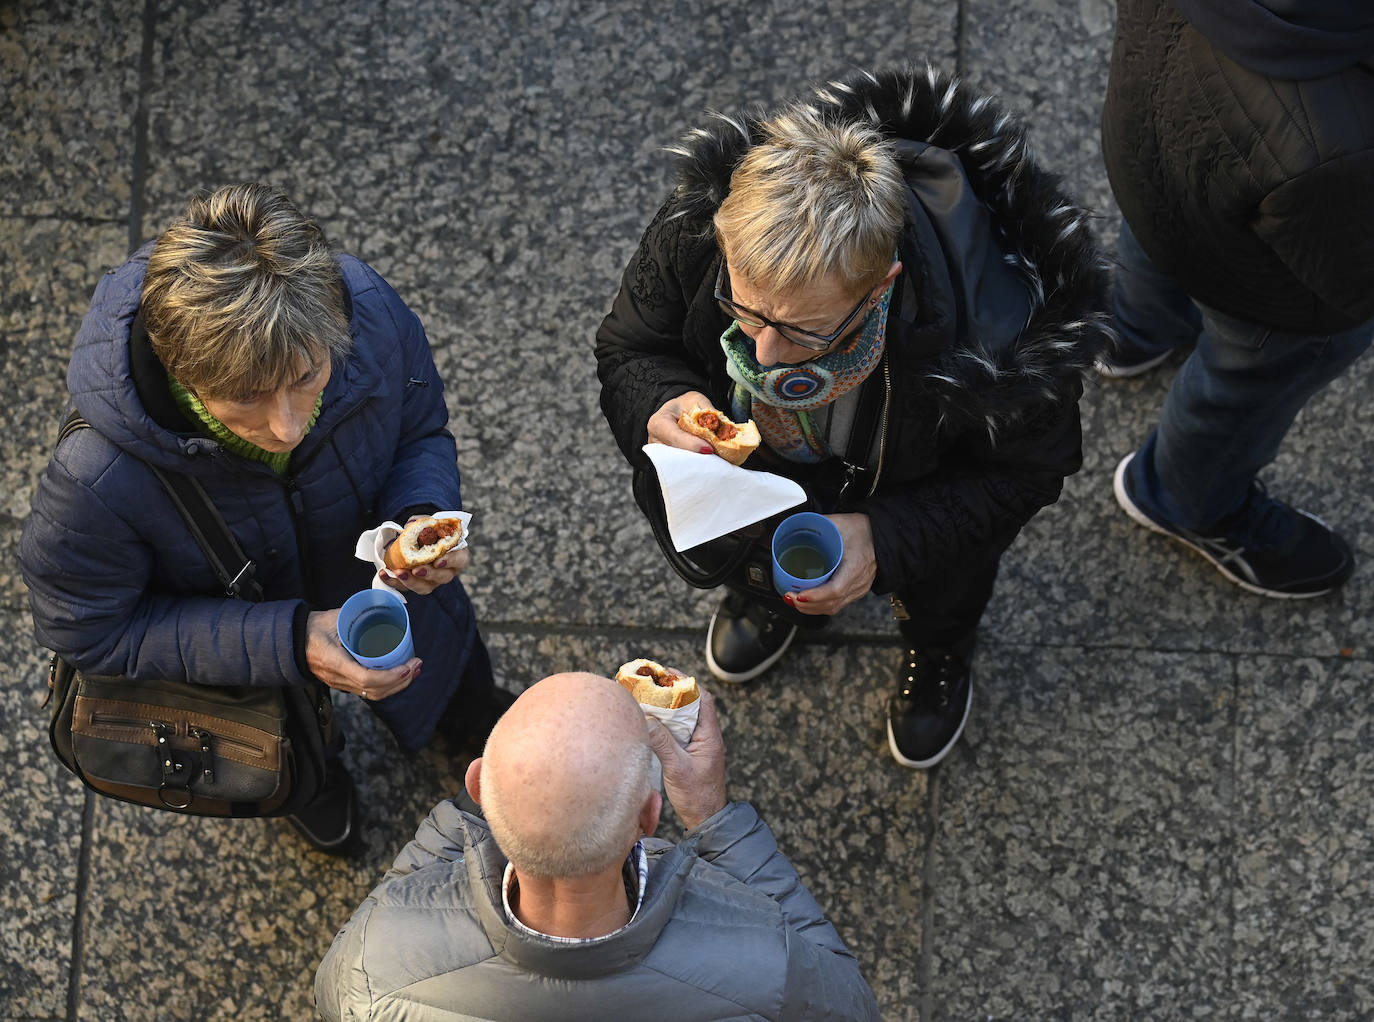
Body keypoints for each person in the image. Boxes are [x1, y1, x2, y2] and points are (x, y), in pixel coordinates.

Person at [594, 66, 1111, 769]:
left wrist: (886, 539)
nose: (765, 356)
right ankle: (770, 600)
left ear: (882, 286)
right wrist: (659, 402)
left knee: (940, 598)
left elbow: (1024, 475)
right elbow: (631, 346)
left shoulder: (1001, 337)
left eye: (804, 330)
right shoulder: (701, 229)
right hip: (764, 496)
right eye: (743, 310)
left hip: (911, 500)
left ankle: (937, 655)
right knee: (770, 563)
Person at [19, 183, 509, 852]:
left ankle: (465, 721)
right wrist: (286, 643)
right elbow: (94, 632)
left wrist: (416, 518)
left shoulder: (370, 314)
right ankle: (310, 778)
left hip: (388, 598)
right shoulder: (94, 478)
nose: (286, 425)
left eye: (309, 376)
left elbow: (420, 431)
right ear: (180, 371)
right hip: (245, 672)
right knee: (290, 753)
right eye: (245, 398)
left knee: (460, 683)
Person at [314, 672, 880, 1021]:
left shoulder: (375, 955)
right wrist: (714, 815)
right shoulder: (767, 966)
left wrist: (455, 828)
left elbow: (399, 907)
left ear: (478, 785)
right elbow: (849, 1002)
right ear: (650, 816)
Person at [1098, 1, 1374, 597]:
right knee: (1246, 386)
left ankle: (1131, 334)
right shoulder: (1347, 142)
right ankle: (1184, 501)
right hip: (1273, 287)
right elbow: (1355, 277)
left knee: (1160, 236)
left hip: (1155, 152)